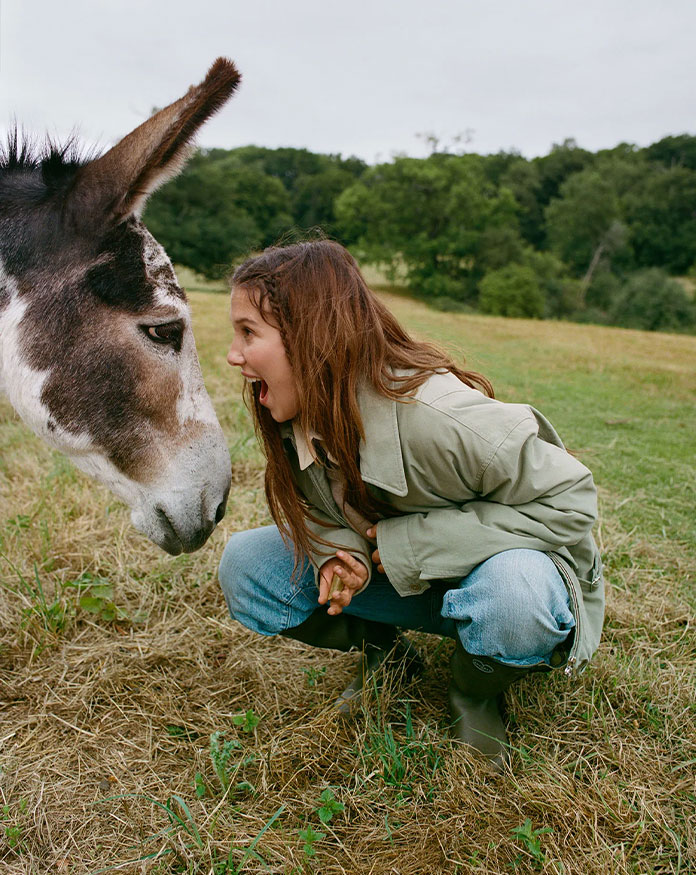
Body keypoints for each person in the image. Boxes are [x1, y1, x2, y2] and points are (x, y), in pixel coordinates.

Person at [218, 239, 604, 769]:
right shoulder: (298, 411)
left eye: (249, 333)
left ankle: (474, 694)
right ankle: (389, 655)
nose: (233, 354)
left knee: (515, 600)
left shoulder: (439, 415)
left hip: (505, 573)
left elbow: (573, 499)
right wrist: (340, 555)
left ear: (313, 339)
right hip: (405, 578)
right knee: (247, 566)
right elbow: (324, 511)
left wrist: (419, 545)